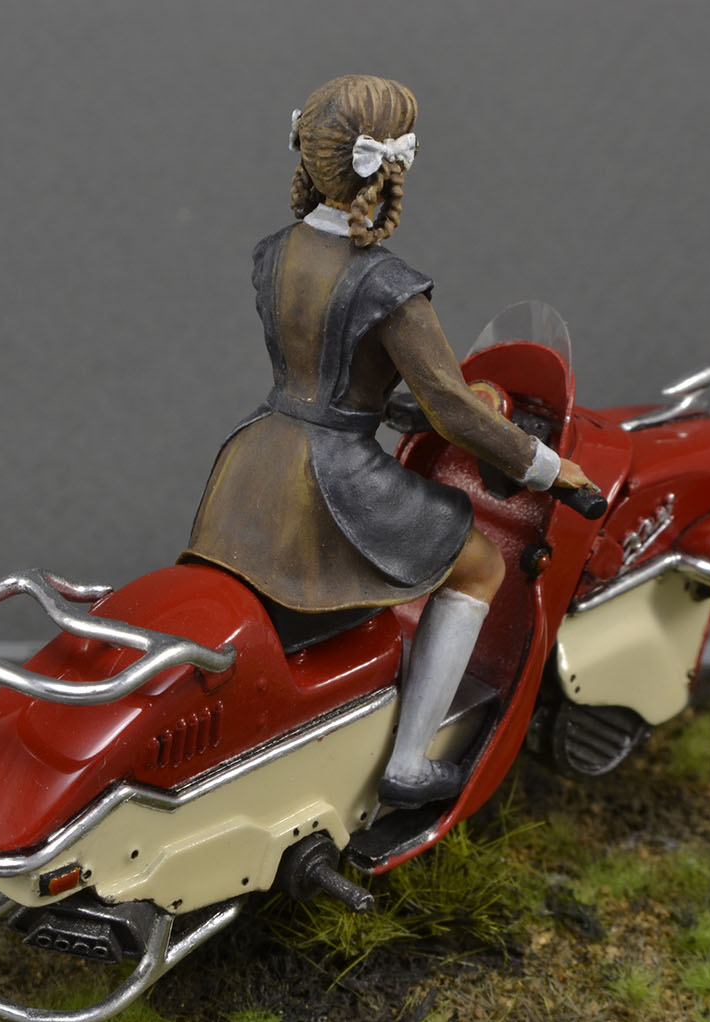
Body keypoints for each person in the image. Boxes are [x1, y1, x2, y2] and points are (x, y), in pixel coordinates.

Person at [179, 75, 595, 809]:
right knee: (478, 566)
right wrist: (551, 468)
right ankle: (409, 762)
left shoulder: (272, 254)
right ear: (392, 167)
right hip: (334, 477)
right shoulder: (389, 284)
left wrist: (390, 406)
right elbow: (453, 409)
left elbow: (325, 371)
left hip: (255, 458)